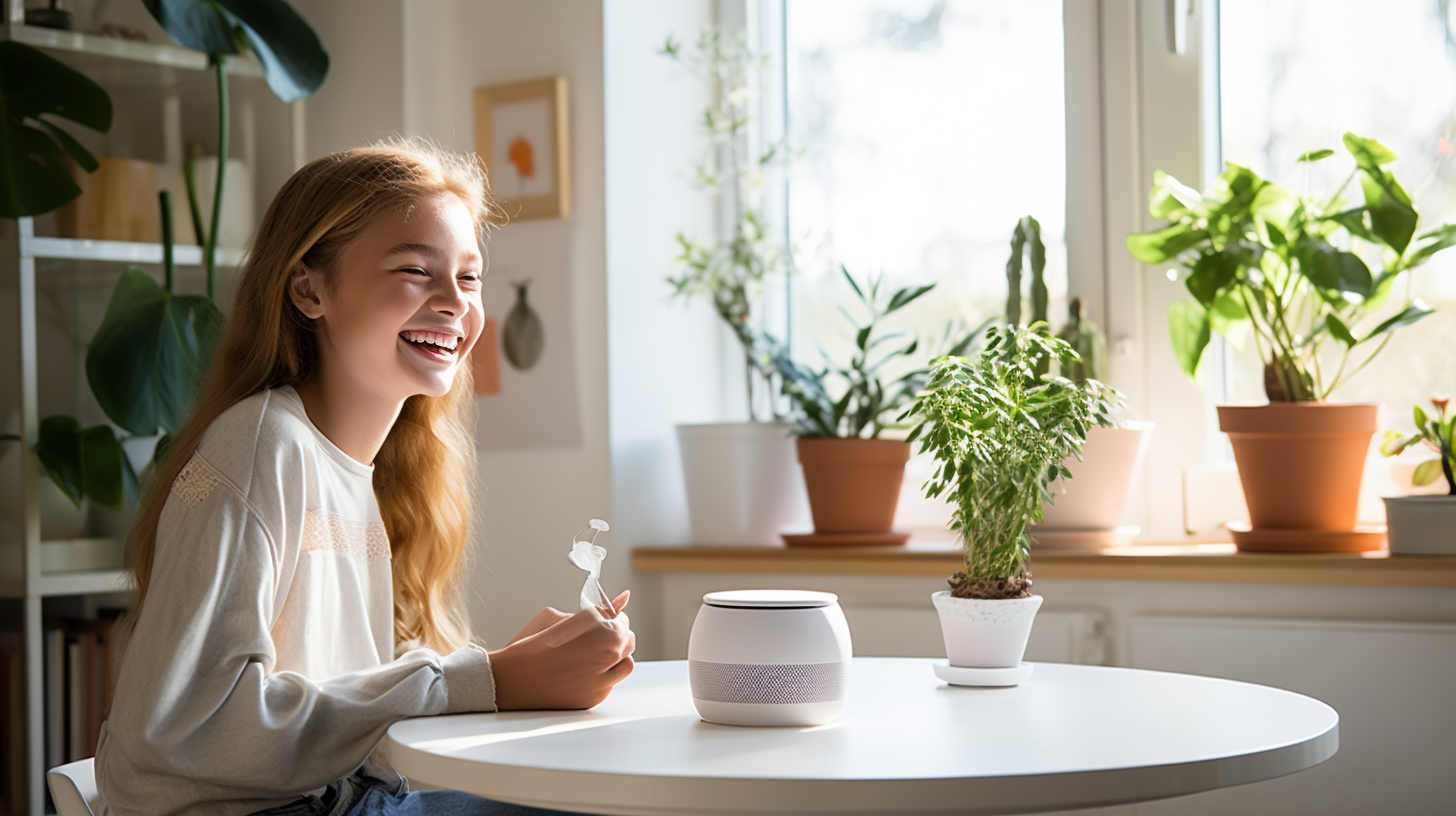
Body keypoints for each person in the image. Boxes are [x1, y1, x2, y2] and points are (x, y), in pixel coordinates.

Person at [94, 139, 636, 816]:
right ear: (309, 289)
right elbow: (185, 728)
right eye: (415, 270)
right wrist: (485, 679)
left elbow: (332, 706)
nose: (454, 304)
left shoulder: (362, 471)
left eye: (469, 279)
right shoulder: (263, 448)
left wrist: (509, 666)